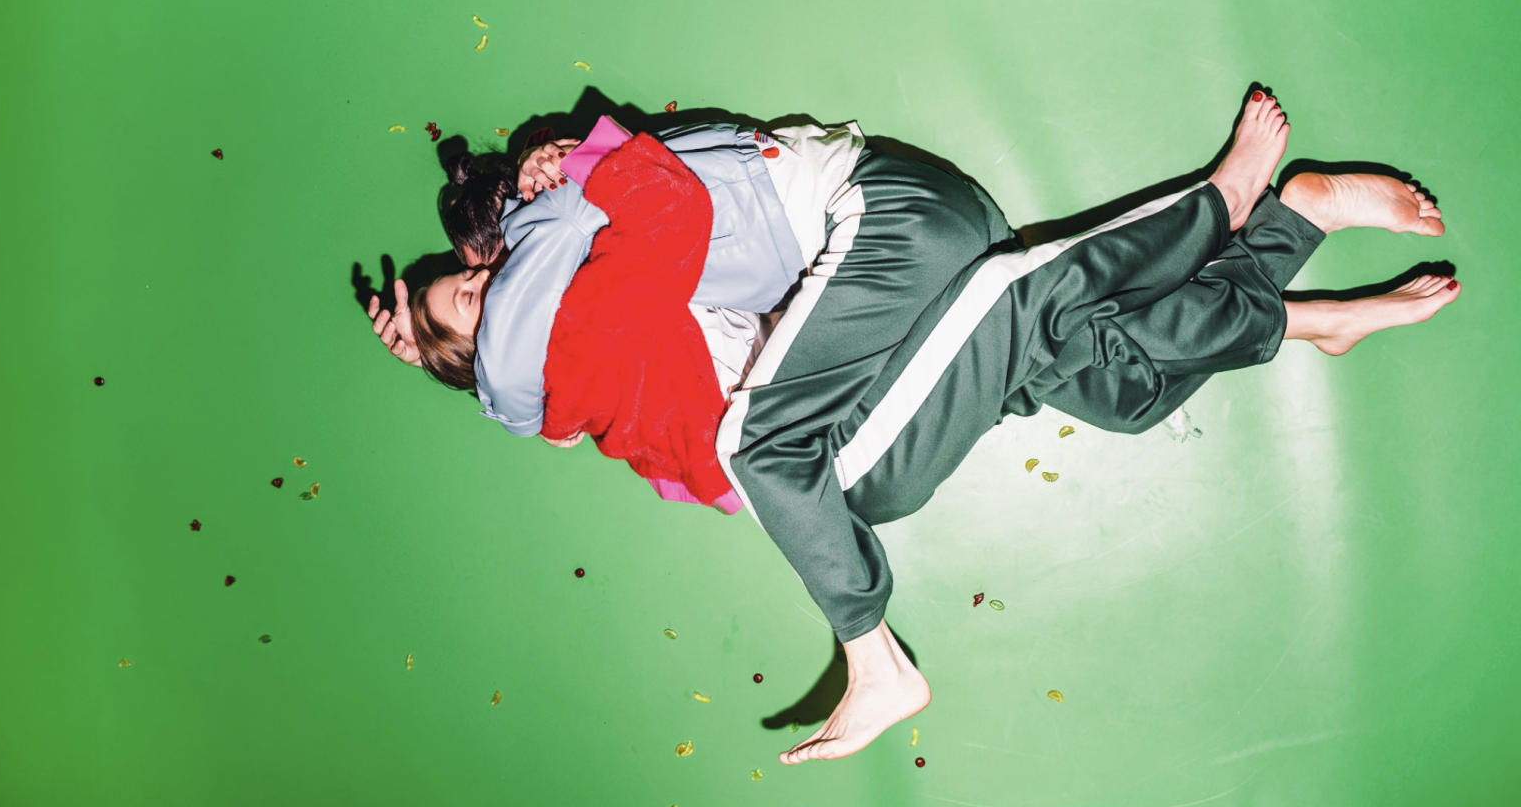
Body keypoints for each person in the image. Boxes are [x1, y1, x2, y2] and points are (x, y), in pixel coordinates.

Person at [368, 91, 1456, 763]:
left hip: (868, 274)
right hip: (854, 387)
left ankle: (1258, 242)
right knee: (1066, 350)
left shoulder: (606, 237)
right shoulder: (581, 345)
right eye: (475, 289)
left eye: (487, 274)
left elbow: (663, 215)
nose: (498, 286)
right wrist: (437, 344)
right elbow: (547, 378)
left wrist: (571, 172)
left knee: (1061, 360)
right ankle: (1278, 252)